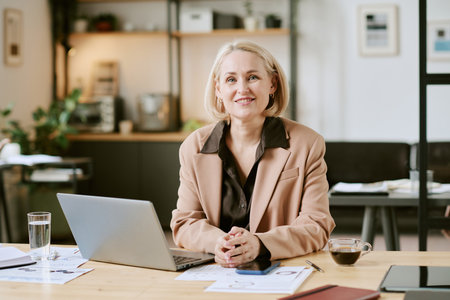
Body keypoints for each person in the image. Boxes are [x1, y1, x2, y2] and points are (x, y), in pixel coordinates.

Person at [170, 40, 335, 268]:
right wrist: (218, 242)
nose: (242, 89)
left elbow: (317, 225)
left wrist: (259, 244)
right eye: (231, 80)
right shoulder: (193, 147)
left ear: (272, 84)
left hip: (281, 271)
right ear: (219, 89)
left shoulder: (307, 144)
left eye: (253, 77)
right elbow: (185, 222)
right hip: (215, 272)